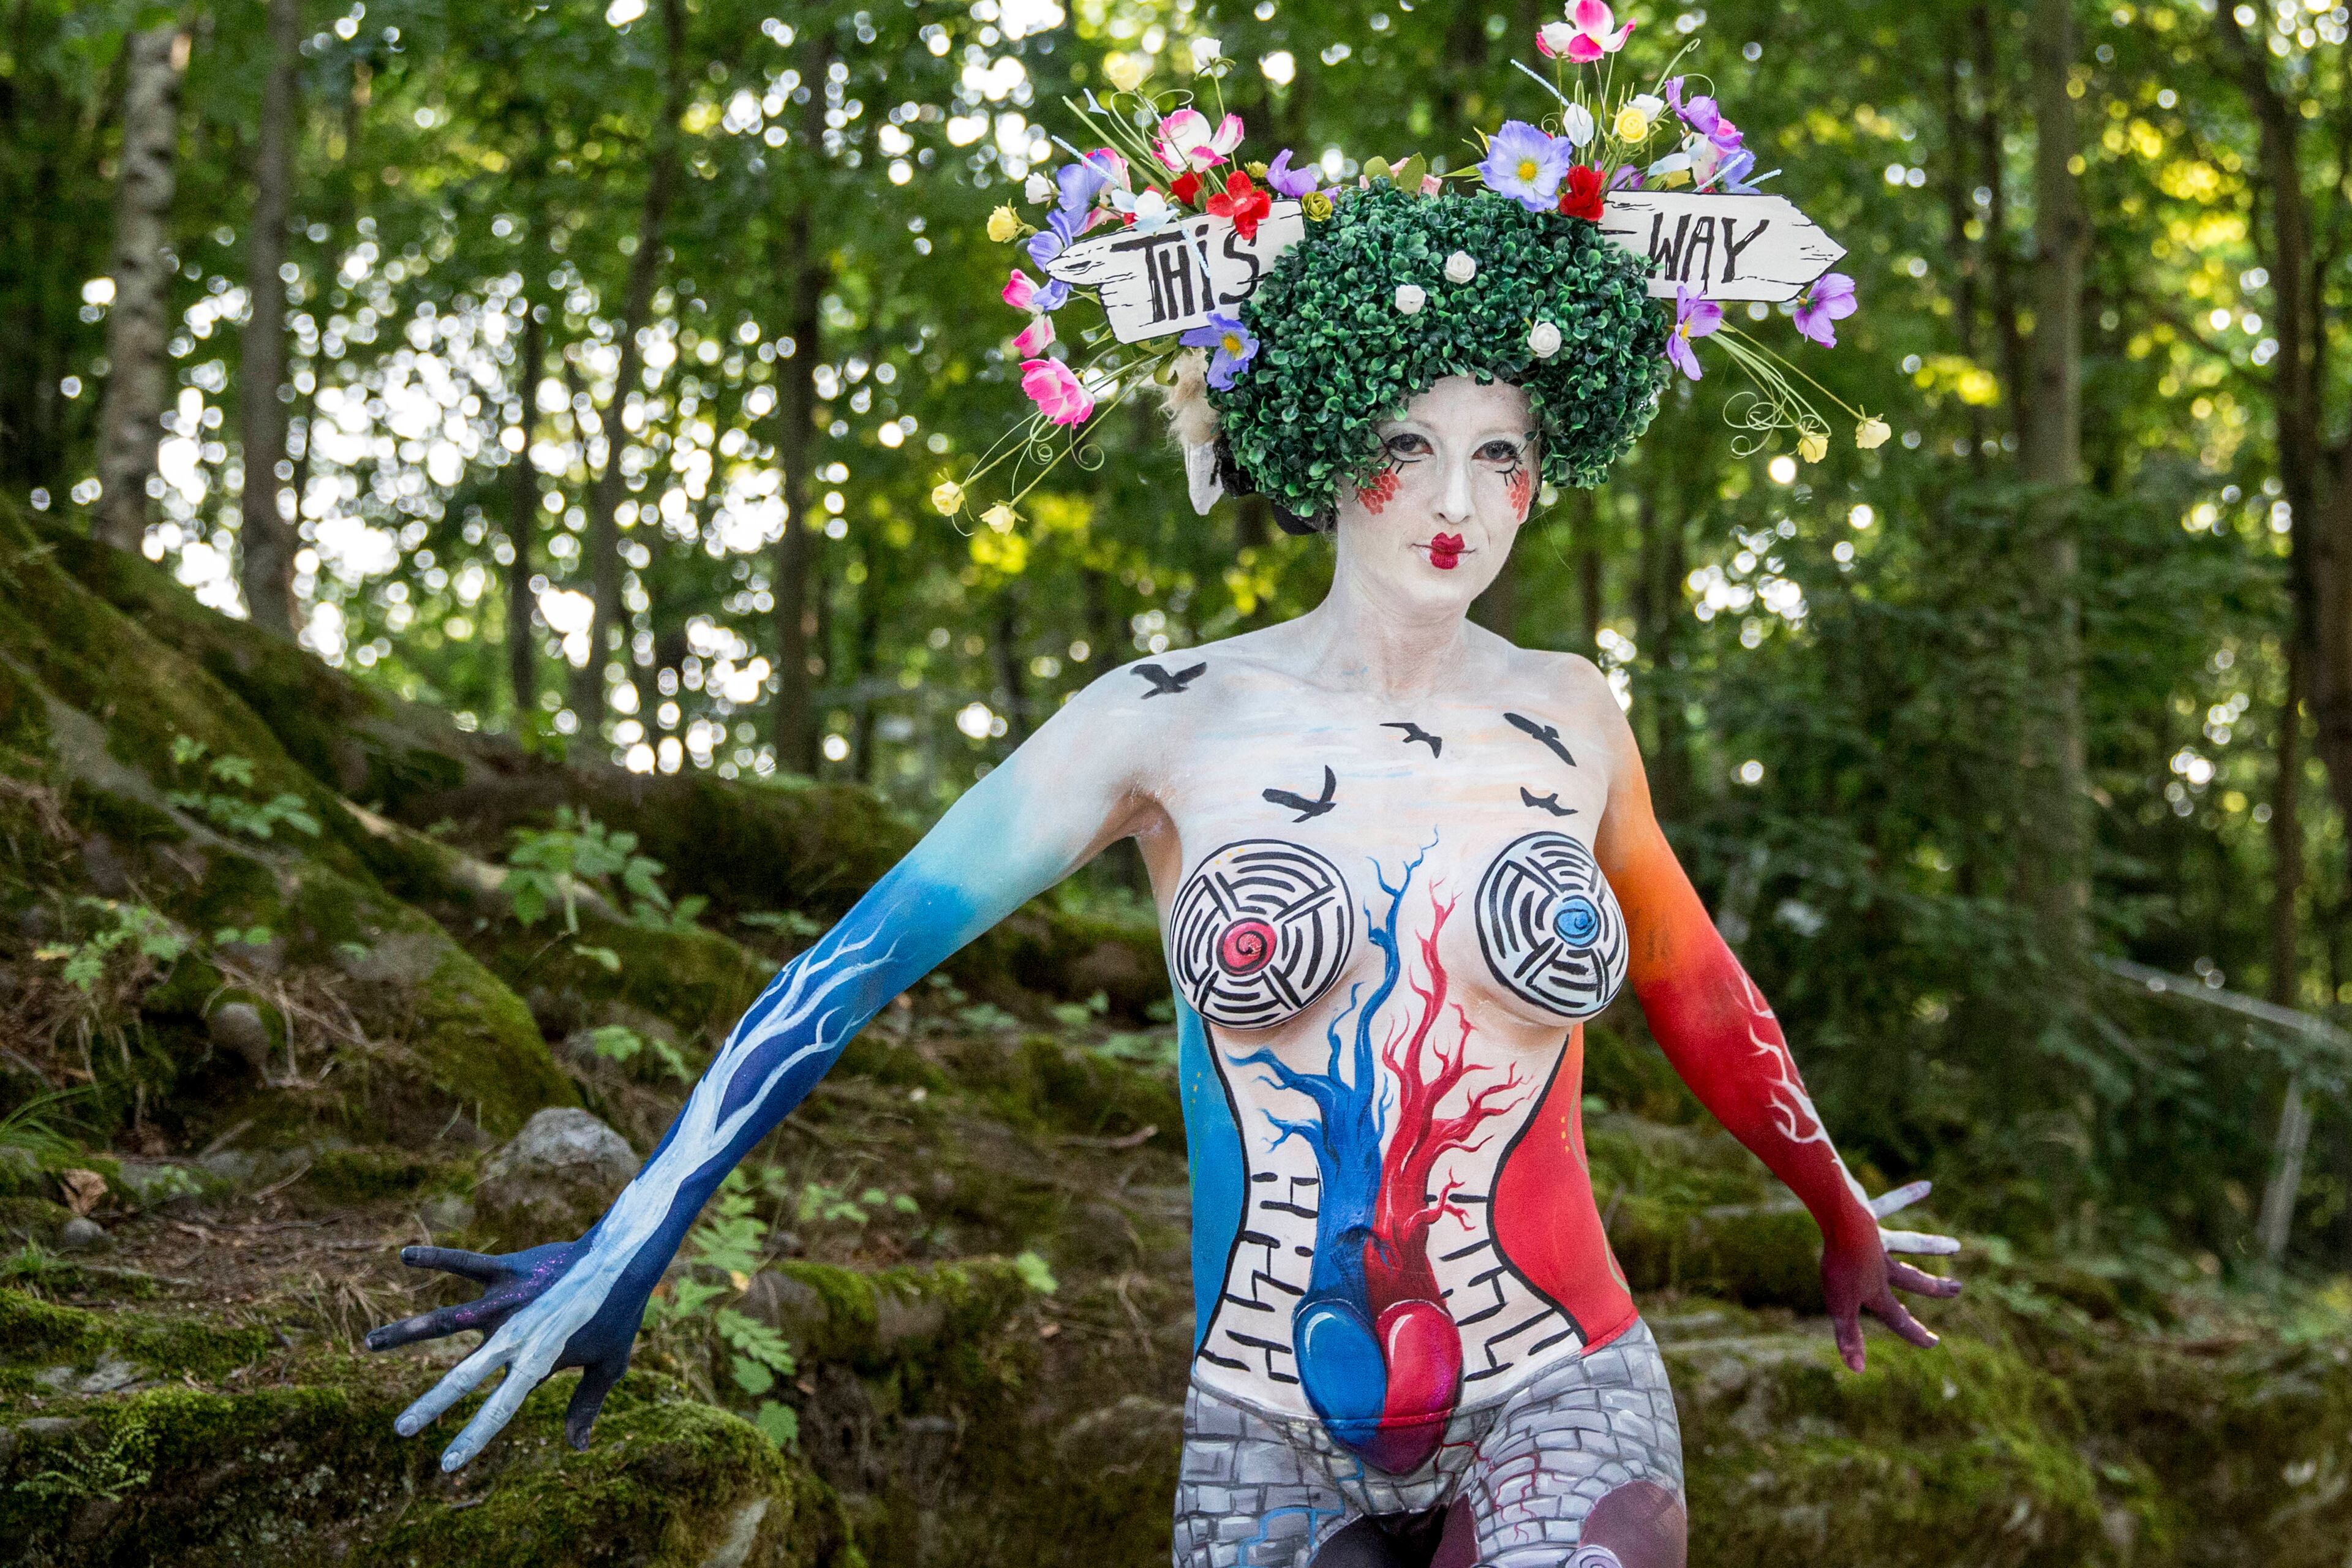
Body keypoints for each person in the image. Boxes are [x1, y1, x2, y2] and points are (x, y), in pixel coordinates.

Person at [368, 43, 1958, 1568]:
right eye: (1410, 445)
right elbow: (848, 967)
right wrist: (641, 1224)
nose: (1462, 501)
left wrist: (1836, 1209)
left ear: (1550, 468)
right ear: (1330, 445)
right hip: (1261, 1422)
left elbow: (1696, 988)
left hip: (1568, 1384)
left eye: (1506, 452)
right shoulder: (1156, 721)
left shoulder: (1571, 708)